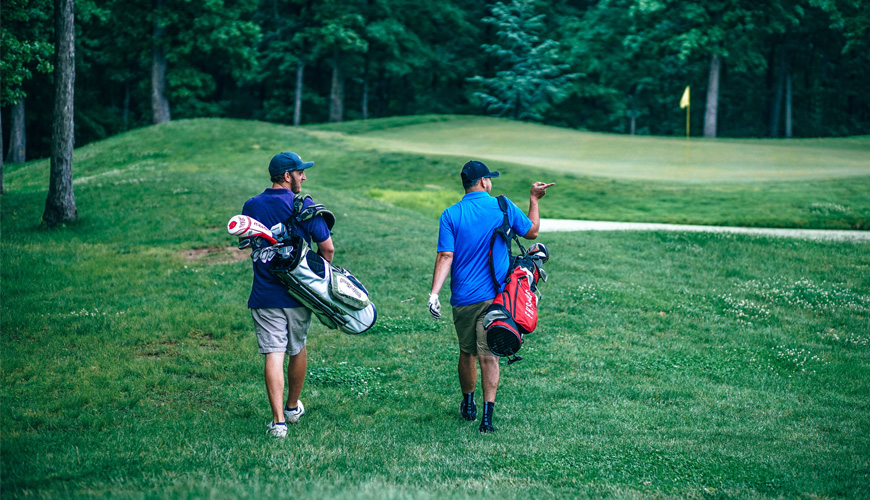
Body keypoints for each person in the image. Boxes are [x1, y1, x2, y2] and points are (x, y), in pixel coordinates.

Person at [428, 160, 554, 433]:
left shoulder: (450, 214)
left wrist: (434, 293)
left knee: (467, 351)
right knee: (490, 356)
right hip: (496, 297)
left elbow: (445, 255)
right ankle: (487, 418)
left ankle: (468, 404)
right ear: (484, 182)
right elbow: (532, 232)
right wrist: (534, 199)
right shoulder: (502, 206)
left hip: (462, 298)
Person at [241, 152, 334, 438]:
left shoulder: (251, 205)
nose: (304, 177)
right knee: (297, 348)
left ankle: (278, 422)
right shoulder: (301, 204)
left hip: (264, 295)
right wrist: (319, 281)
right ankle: (292, 407)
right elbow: (327, 248)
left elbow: (246, 241)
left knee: (273, 353)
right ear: (286, 176)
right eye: (300, 172)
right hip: (298, 294)